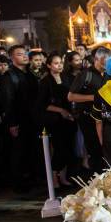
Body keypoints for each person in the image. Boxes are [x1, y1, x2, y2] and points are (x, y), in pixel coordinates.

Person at [0, 45, 40, 192]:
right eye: (19, 54)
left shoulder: (30, 74)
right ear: (12, 57)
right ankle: (18, 183)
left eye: (25, 54)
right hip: (18, 121)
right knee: (18, 152)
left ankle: (33, 179)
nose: (24, 56)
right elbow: (7, 102)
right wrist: (12, 124)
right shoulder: (9, 76)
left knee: (33, 150)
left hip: (33, 120)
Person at [68, 47, 111, 173]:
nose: (107, 64)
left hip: (105, 117)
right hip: (88, 118)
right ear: (96, 59)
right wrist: (94, 97)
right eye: (105, 61)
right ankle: (96, 178)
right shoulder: (85, 75)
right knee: (95, 150)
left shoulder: (108, 75)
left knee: (106, 149)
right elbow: (71, 96)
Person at [36, 52, 77, 188]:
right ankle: (54, 178)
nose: (59, 65)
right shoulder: (45, 82)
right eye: (56, 63)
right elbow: (42, 104)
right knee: (59, 149)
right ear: (48, 65)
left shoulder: (67, 78)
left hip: (69, 119)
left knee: (69, 149)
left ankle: (63, 177)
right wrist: (61, 111)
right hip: (54, 120)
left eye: (60, 63)